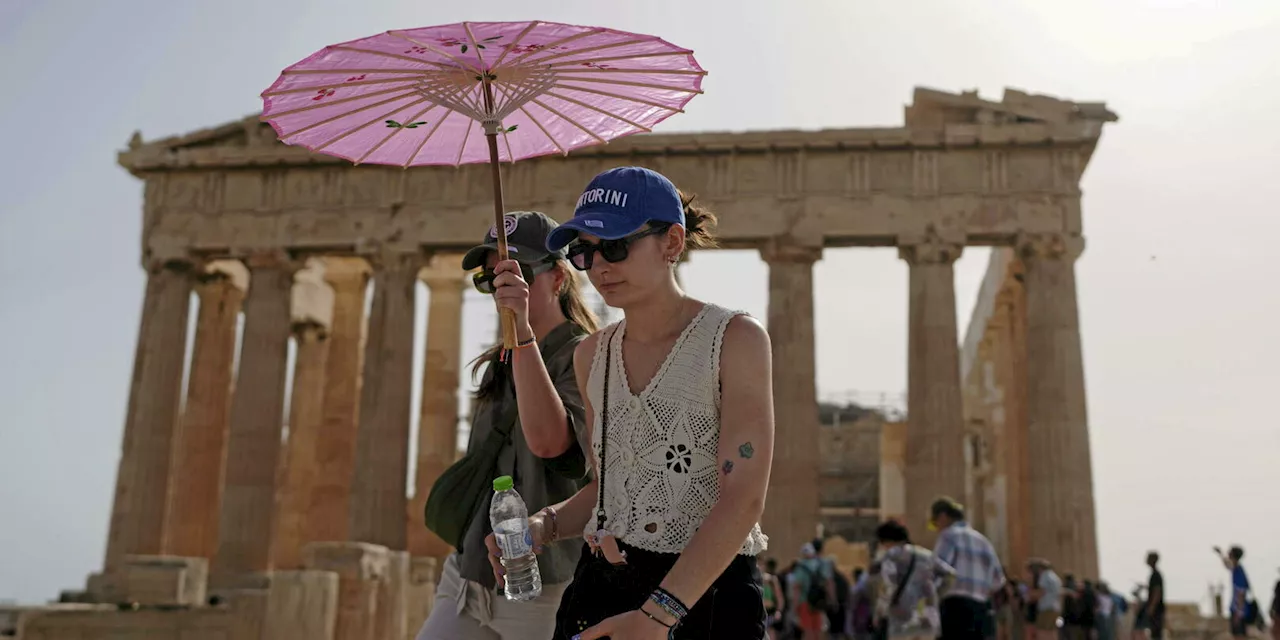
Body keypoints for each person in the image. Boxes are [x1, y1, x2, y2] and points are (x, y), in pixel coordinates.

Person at [482, 166, 776, 640]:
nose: (599, 265)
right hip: (600, 590)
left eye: (615, 245)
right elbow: (611, 489)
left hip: (706, 598)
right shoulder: (590, 355)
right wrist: (544, 524)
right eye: (583, 251)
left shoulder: (735, 340)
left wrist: (658, 616)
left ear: (672, 243)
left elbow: (743, 497)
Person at [413, 211, 599, 640]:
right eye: (491, 280)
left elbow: (552, 445)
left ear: (558, 278)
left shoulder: (586, 356)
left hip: (544, 583)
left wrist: (525, 335)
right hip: (468, 575)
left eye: (517, 274)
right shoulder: (497, 362)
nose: (502, 290)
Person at [929, 497, 1006, 640]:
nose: (936, 528)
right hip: (981, 609)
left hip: (955, 608)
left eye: (935, 523)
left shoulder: (948, 535)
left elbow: (939, 570)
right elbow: (998, 580)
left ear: (943, 517)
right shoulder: (983, 541)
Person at [874, 520, 957, 640]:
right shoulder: (926, 555)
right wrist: (936, 594)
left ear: (886, 541)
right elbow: (951, 575)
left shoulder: (891, 555)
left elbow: (889, 586)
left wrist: (880, 612)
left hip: (902, 619)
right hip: (927, 619)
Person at [791, 542, 836, 640]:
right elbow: (829, 583)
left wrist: (794, 607)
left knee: (808, 630)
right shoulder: (823, 565)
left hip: (805, 602)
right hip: (820, 602)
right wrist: (832, 600)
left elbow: (797, 588)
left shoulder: (800, 567)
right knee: (819, 630)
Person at [1214, 546, 1254, 638]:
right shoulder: (1236, 569)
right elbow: (1227, 564)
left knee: (1239, 636)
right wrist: (1220, 553)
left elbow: (1241, 594)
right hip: (1236, 609)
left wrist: (1238, 613)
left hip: (1239, 610)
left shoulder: (1239, 572)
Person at [1025, 558, 1062, 640]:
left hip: (1046, 608)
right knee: (1052, 632)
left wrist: (1029, 593)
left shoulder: (1045, 575)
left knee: (1042, 633)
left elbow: (1041, 592)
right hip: (1055, 608)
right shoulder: (1054, 576)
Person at [1131, 552, 1164, 640]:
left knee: (1156, 633)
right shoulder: (1154, 575)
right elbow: (1153, 589)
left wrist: (1151, 608)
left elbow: (1157, 592)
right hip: (1155, 608)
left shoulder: (1156, 575)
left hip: (1156, 609)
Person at [761, 557, 788, 640]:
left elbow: (779, 597)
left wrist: (778, 611)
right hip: (758, 612)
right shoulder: (752, 579)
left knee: (770, 633)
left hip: (769, 612)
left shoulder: (771, 580)